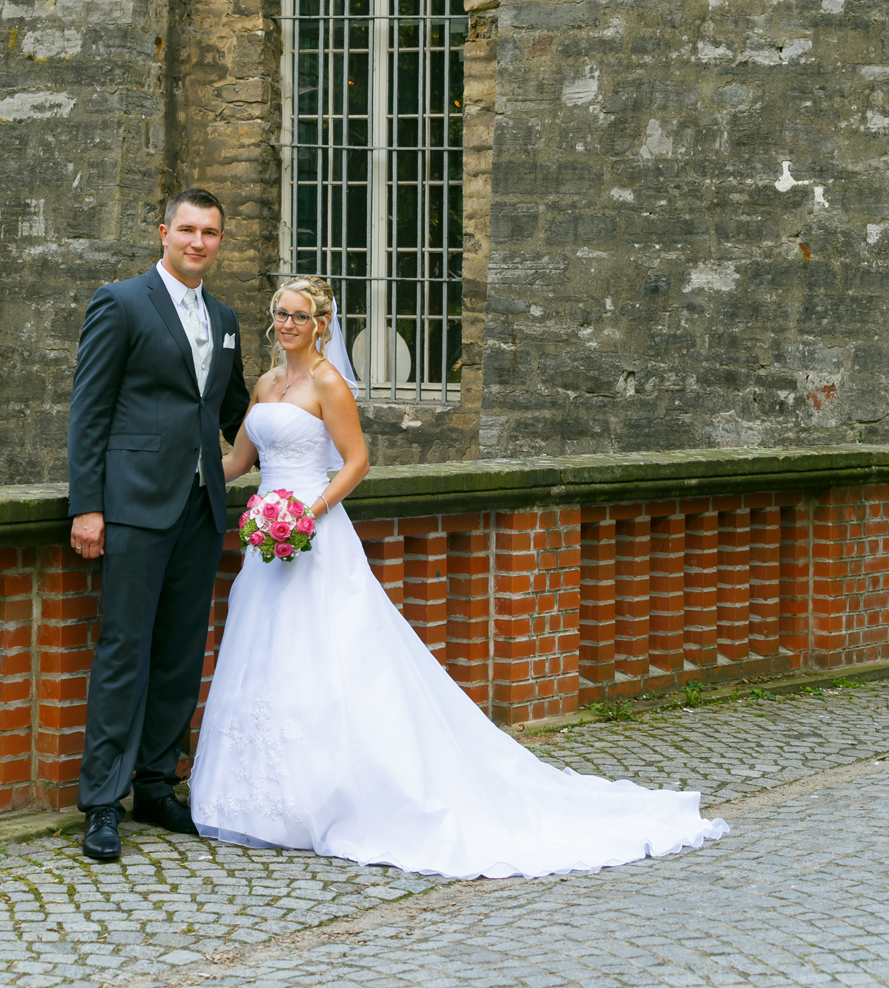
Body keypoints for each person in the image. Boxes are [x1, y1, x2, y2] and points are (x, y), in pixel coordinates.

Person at [188, 276, 728, 878]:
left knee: (328, 660)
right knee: (263, 658)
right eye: (278, 315)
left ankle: (334, 796)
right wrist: (187, 476)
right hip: (267, 541)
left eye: (297, 316)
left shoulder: (327, 383)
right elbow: (239, 461)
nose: (285, 325)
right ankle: (264, 802)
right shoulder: (265, 384)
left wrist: (306, 513)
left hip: (313, 536)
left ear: (321, 324)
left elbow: (358, 462)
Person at [68, 188, 250, 862]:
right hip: (135, 507)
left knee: (180, 654)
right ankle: (102, 804)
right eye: (188, 230)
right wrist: (87, 506)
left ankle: (154, 784)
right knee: (124, 651)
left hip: (202, 510)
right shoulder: (120, 302)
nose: (198, 242)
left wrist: (304, 449)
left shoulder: (225, 317)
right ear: (164, 232)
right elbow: (89, 410)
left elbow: (234, 409)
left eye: (211, 233)